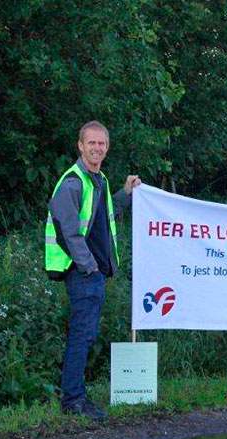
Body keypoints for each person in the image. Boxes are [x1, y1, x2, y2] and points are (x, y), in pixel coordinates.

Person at [45, 121, 140, 420]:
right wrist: (89, 268)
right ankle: (73, 400)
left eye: (102, 144)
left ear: (107, 148)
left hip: (93, 273)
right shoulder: (74, 182)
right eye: (92, 143)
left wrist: (126, 193)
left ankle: (74, 395)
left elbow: (107, 214)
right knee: (81, 335)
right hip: (83, 273)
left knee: (85, 335)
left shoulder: (98, 180)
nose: (97, 148)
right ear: (80, 146)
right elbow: (67, 231)